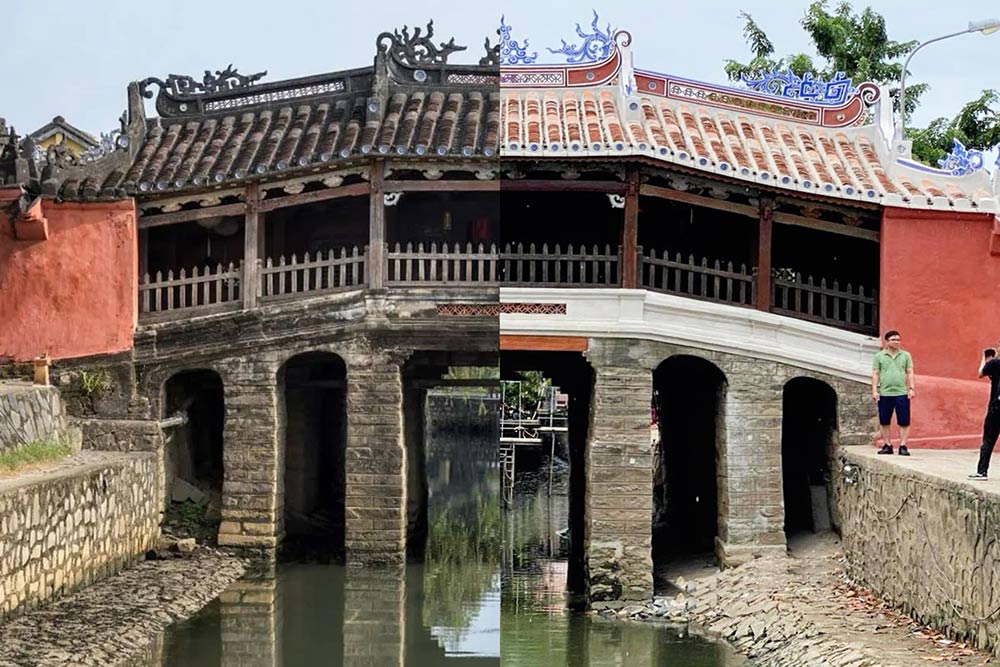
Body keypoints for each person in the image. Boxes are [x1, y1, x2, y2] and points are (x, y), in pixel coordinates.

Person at [871, 330, 915, 456]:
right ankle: (887, 445)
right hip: (885, 392)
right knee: (884, 420)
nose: (896, 342)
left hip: (902, 392)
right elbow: (875, 374)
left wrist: (911, 388)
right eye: (893, 340)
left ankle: (903, 445)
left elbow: (910, 371)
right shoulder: (879, 356)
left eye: (898, 340)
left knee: (904, 420)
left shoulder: (905, 355)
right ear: (887, 341)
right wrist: (874, 390)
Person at [968, 342, 1000, 479]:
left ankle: (982, 471)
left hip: (996, 407)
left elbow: (980, 373)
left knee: (988, 440)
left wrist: (985, 357)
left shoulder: (995, 363)